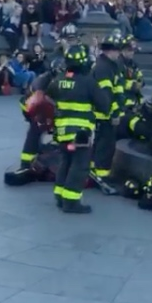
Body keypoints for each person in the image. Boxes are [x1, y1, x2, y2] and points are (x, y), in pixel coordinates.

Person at [45, 45, 110, 214]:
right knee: (80, 166)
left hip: (62, 132)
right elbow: (105, 106)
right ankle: (71, 202)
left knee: (65, 162)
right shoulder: (88, 82)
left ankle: (60, 196)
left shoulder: (58, 79)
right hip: (80, 134)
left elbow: (48, 98)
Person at [89, 31, 124, 192]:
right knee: (105, 146)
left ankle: (94, 173)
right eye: (118, 50)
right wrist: (114, 114)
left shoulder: (108, 65)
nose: (119, 53)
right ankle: (102, 177)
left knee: (100, 145)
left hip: (104, 114)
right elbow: (106, 95)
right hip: (104, 116)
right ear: (111, 50)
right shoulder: (104, 67)